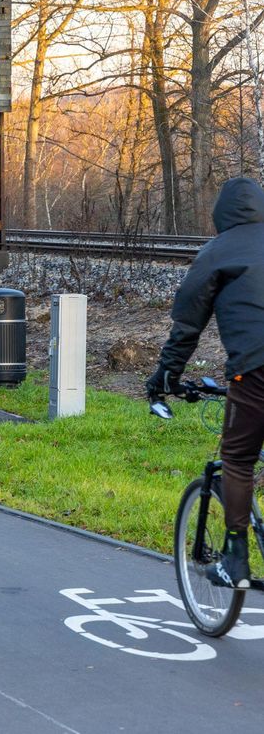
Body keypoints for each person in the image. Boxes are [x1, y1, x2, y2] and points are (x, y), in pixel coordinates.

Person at [146, 176, 264, 589]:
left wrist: (166, 375)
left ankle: (235, 558)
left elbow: (188, 322)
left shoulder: (219, 250)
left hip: (256, 368)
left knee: (237, 457)